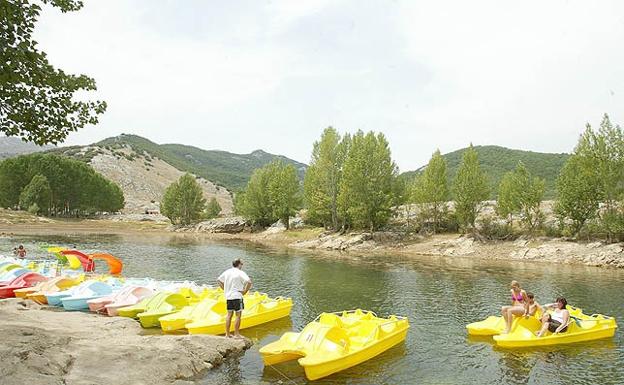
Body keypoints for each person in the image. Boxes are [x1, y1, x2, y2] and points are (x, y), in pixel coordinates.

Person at [217, 258, 252, 338]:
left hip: (228, 296)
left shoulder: (227, 272)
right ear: (239, 264)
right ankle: (236, 334)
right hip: (237, 296)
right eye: (242, 264)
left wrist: (225, 289)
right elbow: (249, 282)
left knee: (229, 315)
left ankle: (227, 334)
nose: (242, 265)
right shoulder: (240, 272)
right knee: (238, 315)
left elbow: (218, 280)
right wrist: (245, 291)